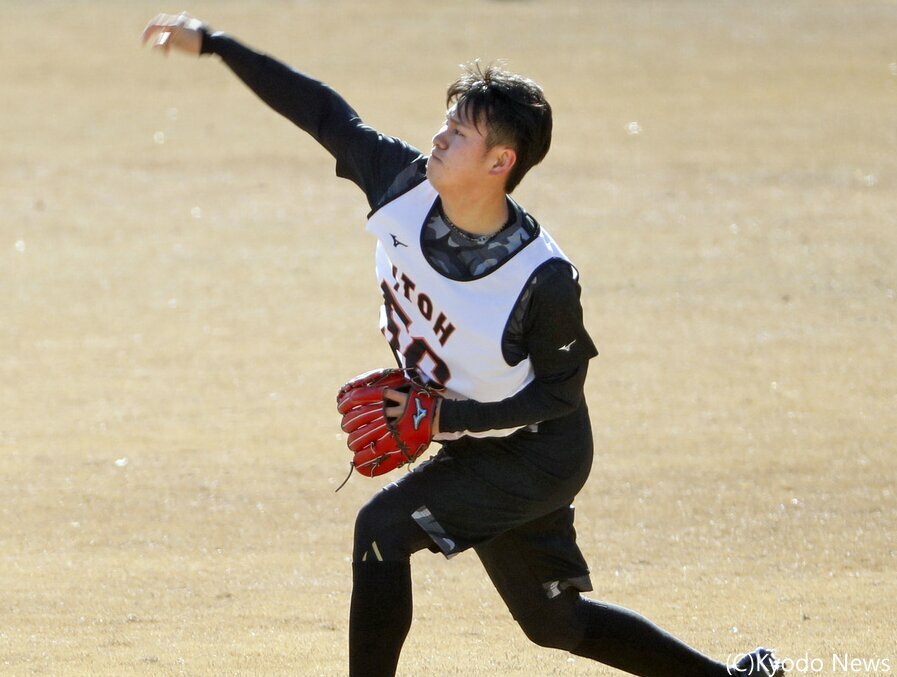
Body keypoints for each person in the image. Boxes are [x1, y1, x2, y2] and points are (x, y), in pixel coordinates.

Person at [142, 13, 784, 677]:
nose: (439, 136)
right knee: (554, 623)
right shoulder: (401, 185)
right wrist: (213, 44)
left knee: (381, 532)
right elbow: (321, 111)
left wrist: (446, 417)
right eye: (445, 122)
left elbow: (560, 394)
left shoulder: (541, 276)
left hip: (537, 454)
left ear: (500, 161)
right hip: (481, 443)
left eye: (459, 131)